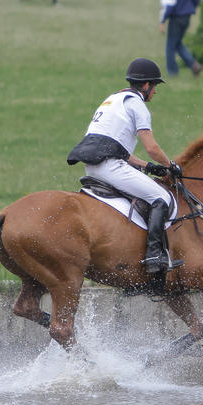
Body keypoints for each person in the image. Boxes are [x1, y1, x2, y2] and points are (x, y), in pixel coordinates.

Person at [66, 58, 184, 274]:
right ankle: (154, 256)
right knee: (162, 198)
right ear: (146, 85)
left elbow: (114, 146)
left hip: (93, 167)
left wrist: (147, 166)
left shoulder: (112, 100)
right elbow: (152, 147)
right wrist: (170, 165)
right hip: (111, 167)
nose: (155, 92)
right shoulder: (137, 105)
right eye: (155, 86)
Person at [160, 0, 202, 78]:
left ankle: (172, 73)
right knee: (177, 43)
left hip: (176, 17)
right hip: (187, 16)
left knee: (170, 45)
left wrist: (163, 20)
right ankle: (194, 65)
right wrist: (192, 7)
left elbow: (170, 2)